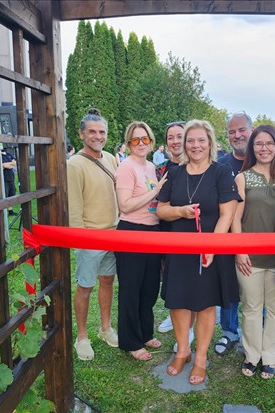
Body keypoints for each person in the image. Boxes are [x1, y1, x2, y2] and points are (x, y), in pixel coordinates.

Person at [157, 119, 240, 385]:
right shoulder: (175, 173)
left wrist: (212, 246)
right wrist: (181, 211)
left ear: (210, 143)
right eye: (190, 141)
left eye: (201, 140)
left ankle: (201, 358)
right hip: (179, 247)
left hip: (211, 248)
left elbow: (227, 213)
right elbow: (161, 209)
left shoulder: (221, 172)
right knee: (179, 300)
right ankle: (183, 350)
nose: (195, 145)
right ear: (183, 144)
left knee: (205, 303)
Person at [232, 125, 275, 379]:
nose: (264, 148)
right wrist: (239, 249)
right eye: (259, 144)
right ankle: (252, 355)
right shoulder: (242, 178)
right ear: (252, 147)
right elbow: (235, 218)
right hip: (249, 257)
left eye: (269, 143)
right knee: (251, 308)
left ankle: (271, 357)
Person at [67, 108, 119, 360]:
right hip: (90, 236)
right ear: (81, 134)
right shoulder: (75, 165)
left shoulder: (110, 158)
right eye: (92, 132)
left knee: (108, 281)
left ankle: (105, 328)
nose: (98, 136)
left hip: (113, 232)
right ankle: (82, 335)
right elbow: (74, 207)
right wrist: (81, 238)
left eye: (102, 132)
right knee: (85, 286)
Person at [115, 121, 168, 361]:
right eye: (135, 140)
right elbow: (125, 205)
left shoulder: (152, 167)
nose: (140, 144)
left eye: (144, 139)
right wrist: (154, 192)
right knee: (131, 289)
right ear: (128, 144)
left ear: (151, 141)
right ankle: (131, 340)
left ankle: (145, 333)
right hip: (131, 232)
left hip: (152, 232)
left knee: (149, 289)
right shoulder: (126, 167)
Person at [156, 121, 197, 351]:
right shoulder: (160, 169)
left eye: (179, 136)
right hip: (164, 229)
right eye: (170, 137)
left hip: (189, 231)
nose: (175, 141)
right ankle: (175, 318)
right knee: (170, 278)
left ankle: (188, 328)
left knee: (190, 280)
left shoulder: (195, 166)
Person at [214, 111, 253, 356]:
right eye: (231, 131)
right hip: (228, 237)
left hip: (258, 237)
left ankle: (255, 334)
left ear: (252, 130)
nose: (237, 135)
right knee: (229, 288)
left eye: (241, 130)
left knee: (256, 290)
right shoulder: (221, 165)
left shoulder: (263, 158)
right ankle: (229, 331)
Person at [1, 146, 17, 215]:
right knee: (5, 195)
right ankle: (5, 211)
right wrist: (10, 164)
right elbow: (3, 165)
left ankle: (11, 211)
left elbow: (15, 163)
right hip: (5, 178)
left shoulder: (8, 154)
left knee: (12, 194)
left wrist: (8, 165)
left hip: (11, 178)